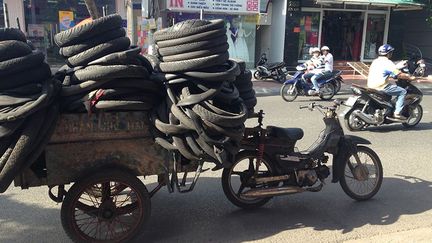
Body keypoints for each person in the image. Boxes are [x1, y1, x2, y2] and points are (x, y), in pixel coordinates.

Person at [367, 44, 414, 120]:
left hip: (370, 85)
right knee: (403, 91)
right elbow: (398, 74)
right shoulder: (388, 62)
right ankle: (397, 113)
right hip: (381, 86)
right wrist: (410, 77)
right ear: (388, 53)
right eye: (391, 52)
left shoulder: (375, 61)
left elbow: (383, 72)